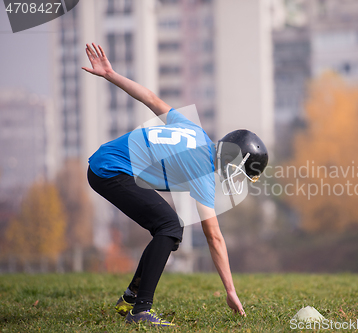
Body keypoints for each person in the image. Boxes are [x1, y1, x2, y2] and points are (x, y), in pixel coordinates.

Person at [82, 43, 268, 327]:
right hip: (109, 170)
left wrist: (111, 74)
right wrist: (230, 291)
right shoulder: (203, 171)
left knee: (166, 226)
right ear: (233, 160)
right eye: (241, 172)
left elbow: (151, 98)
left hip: (106, 160)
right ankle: (140, 310)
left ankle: (131, 298)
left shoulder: (196, 132)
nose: (238, 179)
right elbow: (214, 237)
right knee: (170, 227)